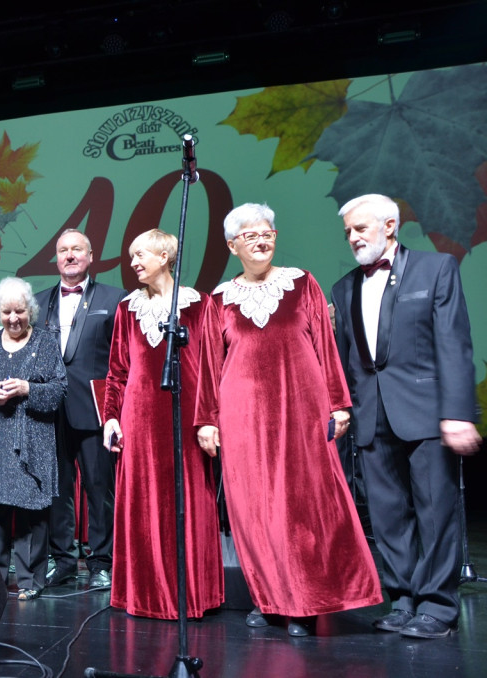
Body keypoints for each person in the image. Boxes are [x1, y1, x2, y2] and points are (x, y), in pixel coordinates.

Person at [196, 203, 382, 637]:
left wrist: (338, 403)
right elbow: (208, 366)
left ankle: (302, 600)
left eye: (268, 233)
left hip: (301, 409)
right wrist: (207, 420)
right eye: (250, 235)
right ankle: (269, 598)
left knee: (301, 508)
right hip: (242, 417)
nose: (262, 240)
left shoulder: (302, 284)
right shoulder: (219, 300)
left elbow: (326, 347)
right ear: (232, 245)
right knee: (252, 511)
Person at [331, 194, 482, 639]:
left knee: (435, 512)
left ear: (391, 225)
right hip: (370, 416)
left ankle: (437, 606)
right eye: (348, 233)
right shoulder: (343, 287)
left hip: (427, 413)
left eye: (361, 229)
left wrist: (456, 413)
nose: (353, 238)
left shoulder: (436, 269)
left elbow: (454, 345)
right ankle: (402, 598)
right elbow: (345, 361)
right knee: (387, 514)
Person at [102, 229, 224, 619]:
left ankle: (190, 594)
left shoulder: (198, 305)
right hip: (138, 420)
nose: (134, 261)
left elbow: (211, 367)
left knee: (187, 500)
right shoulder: (126, 309)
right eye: (132, 254)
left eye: (141, 253)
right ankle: (145, 593)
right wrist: (110, 418)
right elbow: (117, 370)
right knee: (142, 503)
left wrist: (209, 418)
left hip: (185, 417)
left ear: (166, 256)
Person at [0, 277, 67, 601]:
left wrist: (28, 389)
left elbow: (59, 389)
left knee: (31, 514)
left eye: (19, 311)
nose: (13, 318)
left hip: (32, 440)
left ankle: (29, 581)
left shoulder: (46, 342)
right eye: (7, 312)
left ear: (30, 310)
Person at [33, 228, 126, 589]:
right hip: (48, 410)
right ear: (56, 258)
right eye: (62, 250)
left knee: (99, 487)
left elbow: (122, 359)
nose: (69, 256)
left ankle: (102, 561)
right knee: (57, 489)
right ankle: (64, 560)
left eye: (77, 250)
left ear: (90, 257)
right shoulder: (37, 301)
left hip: (96, 409)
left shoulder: (115, 298)